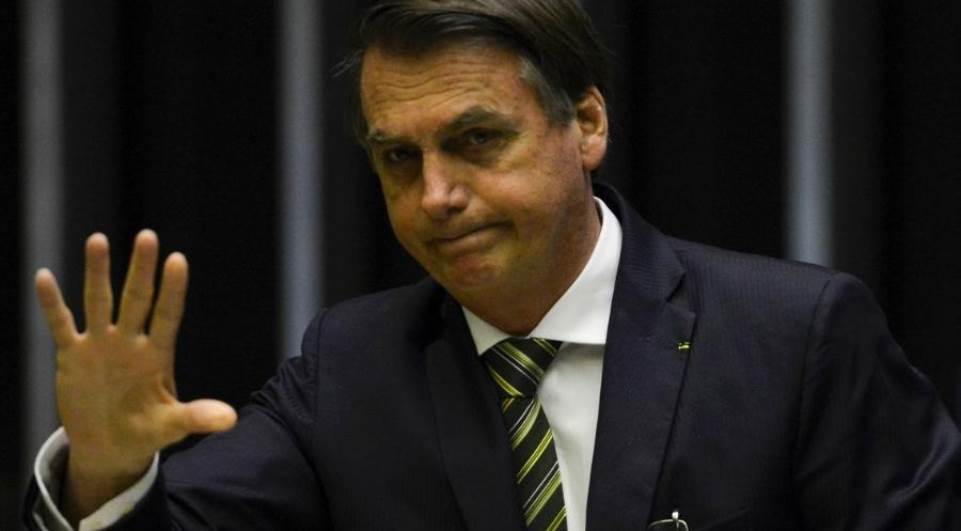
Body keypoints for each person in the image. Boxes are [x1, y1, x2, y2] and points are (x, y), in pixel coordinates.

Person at [24, 0, 961, 529]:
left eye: (476, 140)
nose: (435, 194)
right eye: (400, 158)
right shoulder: (351, 368)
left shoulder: (794, 336)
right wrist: (105, 470)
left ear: (584, 123)